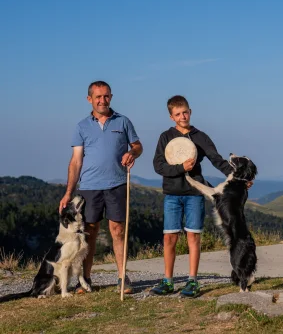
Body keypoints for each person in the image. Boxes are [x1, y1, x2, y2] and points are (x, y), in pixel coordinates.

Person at [151, 95, 249, 298]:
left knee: (193, 237)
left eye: (185, 112)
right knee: (169, 237)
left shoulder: (201, 137)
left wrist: (239, 178)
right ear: (171, 117)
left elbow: (218, 160)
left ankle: (192, 281)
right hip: (171, 194)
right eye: (177, 114)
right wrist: (180, 168)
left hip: (195, 194)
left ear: (190, 111)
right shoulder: (165, 137)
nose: (182, 116)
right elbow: (158, 165)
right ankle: (168, 281)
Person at [59, 80, 143, 295]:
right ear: (90, 99)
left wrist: (132, 153)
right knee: (89, 233)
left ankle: (123, 278)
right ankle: (84, 280)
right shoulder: (81, 126)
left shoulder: (123, 121)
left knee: (118, 230)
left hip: (116, 183)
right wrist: (68, 193)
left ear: (111, 97)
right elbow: (76, 161)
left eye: (106, 96)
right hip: (89, 186)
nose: (102, 100)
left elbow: (137, 146)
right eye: (98, 97)